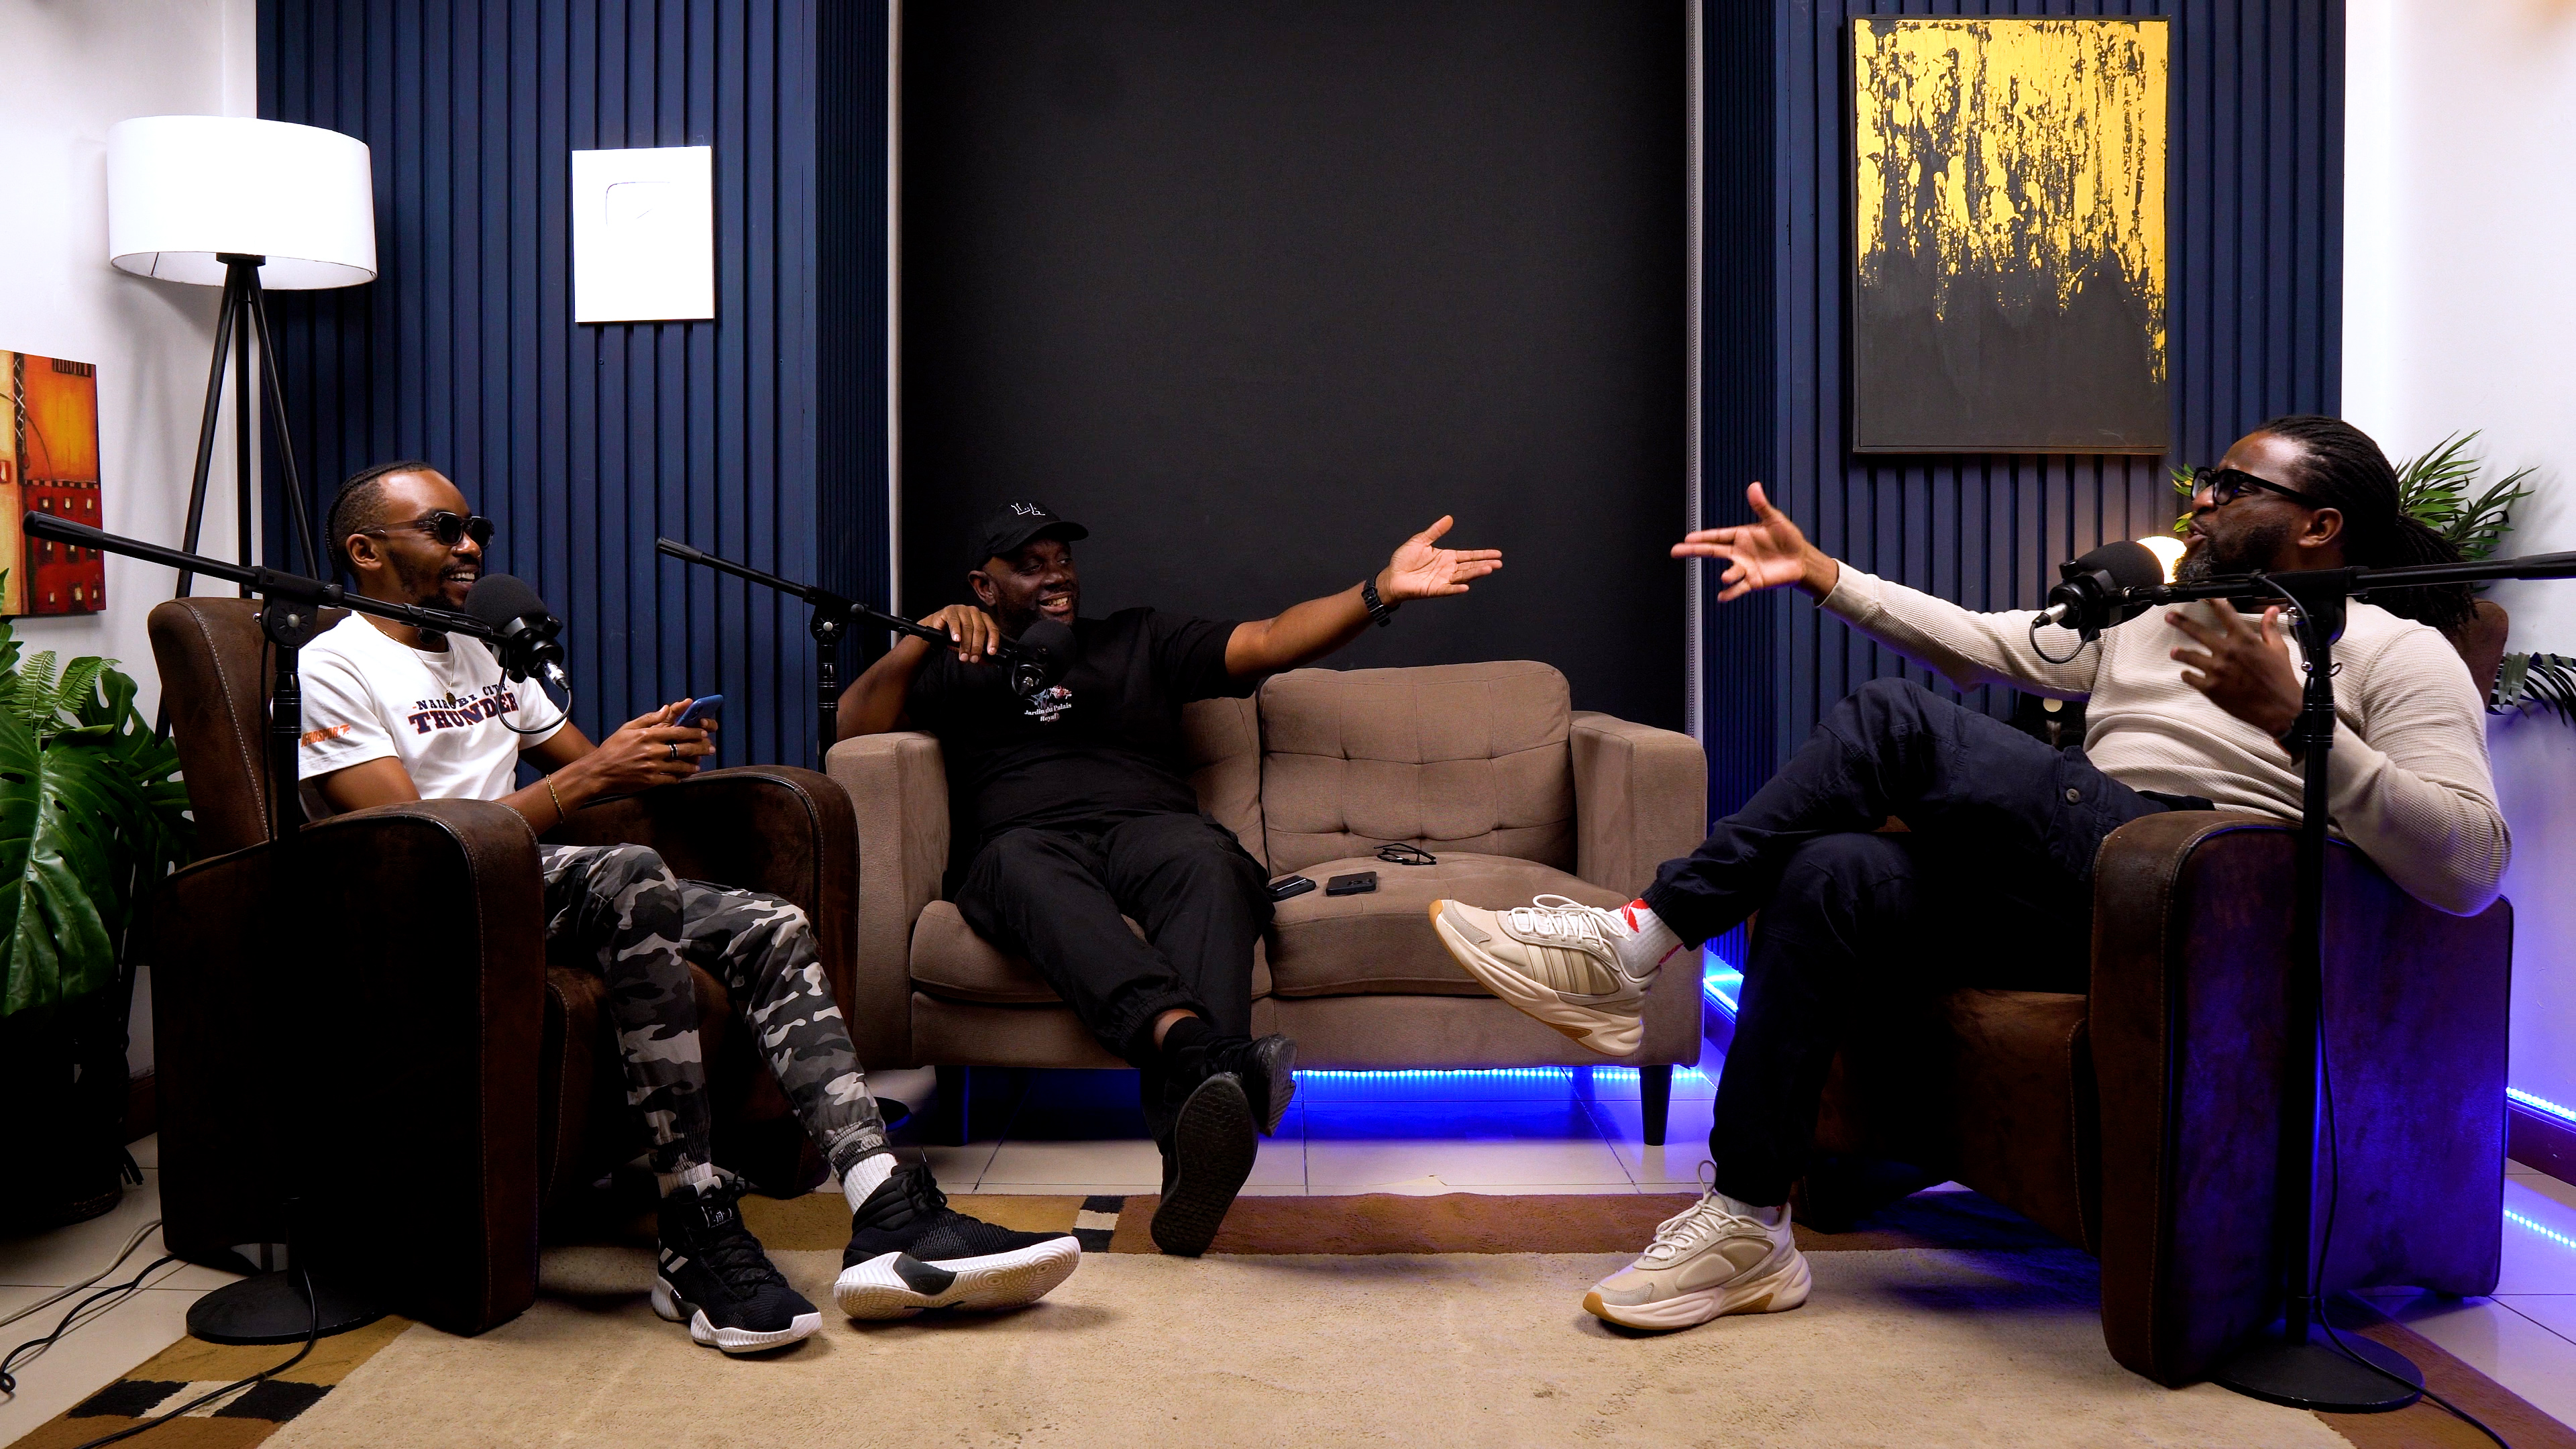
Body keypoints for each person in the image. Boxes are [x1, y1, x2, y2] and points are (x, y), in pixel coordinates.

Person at [1429, 415, 2508, 1331]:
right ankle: (1749, 1222)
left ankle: (1638, 941)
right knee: (1832, 872)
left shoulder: (2391, 652)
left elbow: (2470, 863)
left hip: (2207, 911)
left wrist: (2303, 726)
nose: (2202, 500)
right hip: (2082, 903)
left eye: (2233, 486)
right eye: (2206, 482)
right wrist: (1827, 577)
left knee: (1894, 722)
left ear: (2319, 525)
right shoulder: (2152, 617)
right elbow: (1984, 644)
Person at [298, 461, 1082, 1355]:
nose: (471, 545)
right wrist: (595, 776)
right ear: (365, 551)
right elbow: (424, 844)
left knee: (770, 924)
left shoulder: (481, 647)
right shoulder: (335, 663)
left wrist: (647, 754)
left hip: (542, 877)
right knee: (631, 874)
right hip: (442, 899)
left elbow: (586, 776)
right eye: (444, 529)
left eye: (475, 527)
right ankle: (693, 1222)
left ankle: (884, 1204)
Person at [839, 502, 1501, 1253]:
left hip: (1151, 830)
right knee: (1023, 870)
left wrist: (1379, 590)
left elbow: (1271, 639)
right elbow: (853, 731)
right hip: (1024, 845)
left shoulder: (1138, 639)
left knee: (1210, 863)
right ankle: (1205, 1054)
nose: (1056, 576)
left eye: (1062, 559)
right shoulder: (957, 661)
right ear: (982, 587)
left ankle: (1192, 1157)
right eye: (1029, 565)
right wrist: (918, 639)